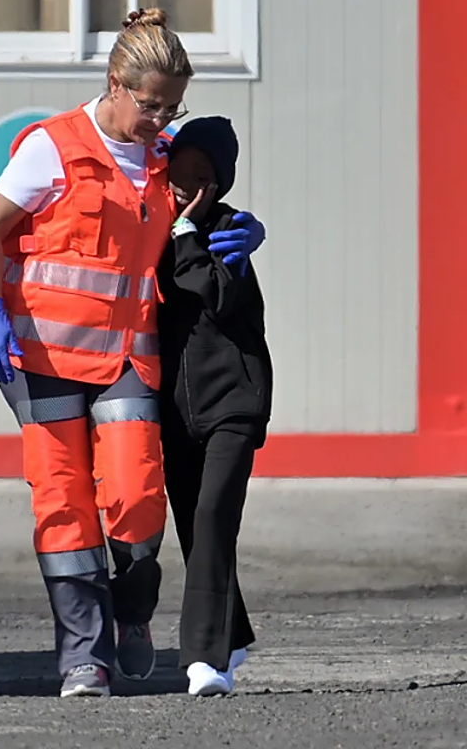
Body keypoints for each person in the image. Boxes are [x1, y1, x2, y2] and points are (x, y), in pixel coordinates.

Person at [0, 8, 266, 698]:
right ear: (115, 83)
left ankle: (131, 608)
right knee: (63, 503)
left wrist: (246, 226)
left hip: (126, 355)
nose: (160, 121)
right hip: (40, 355)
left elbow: (205, 195)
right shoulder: (54, 147)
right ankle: (81, 657)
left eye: (172, 108)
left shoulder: (161, 159)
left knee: (133, 492)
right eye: (150, 106)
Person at [156, 116, 273, 697]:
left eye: (204, 176)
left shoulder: (228, 233)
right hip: (174, 410)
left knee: (213, 520)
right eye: (181, 171)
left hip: (234, 401)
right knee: (195, 530)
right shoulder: (150, 227)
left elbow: (221, 298)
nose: (189, 184)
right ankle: (236, 633)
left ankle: (208, 660)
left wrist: (185, 233)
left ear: (221, 183)